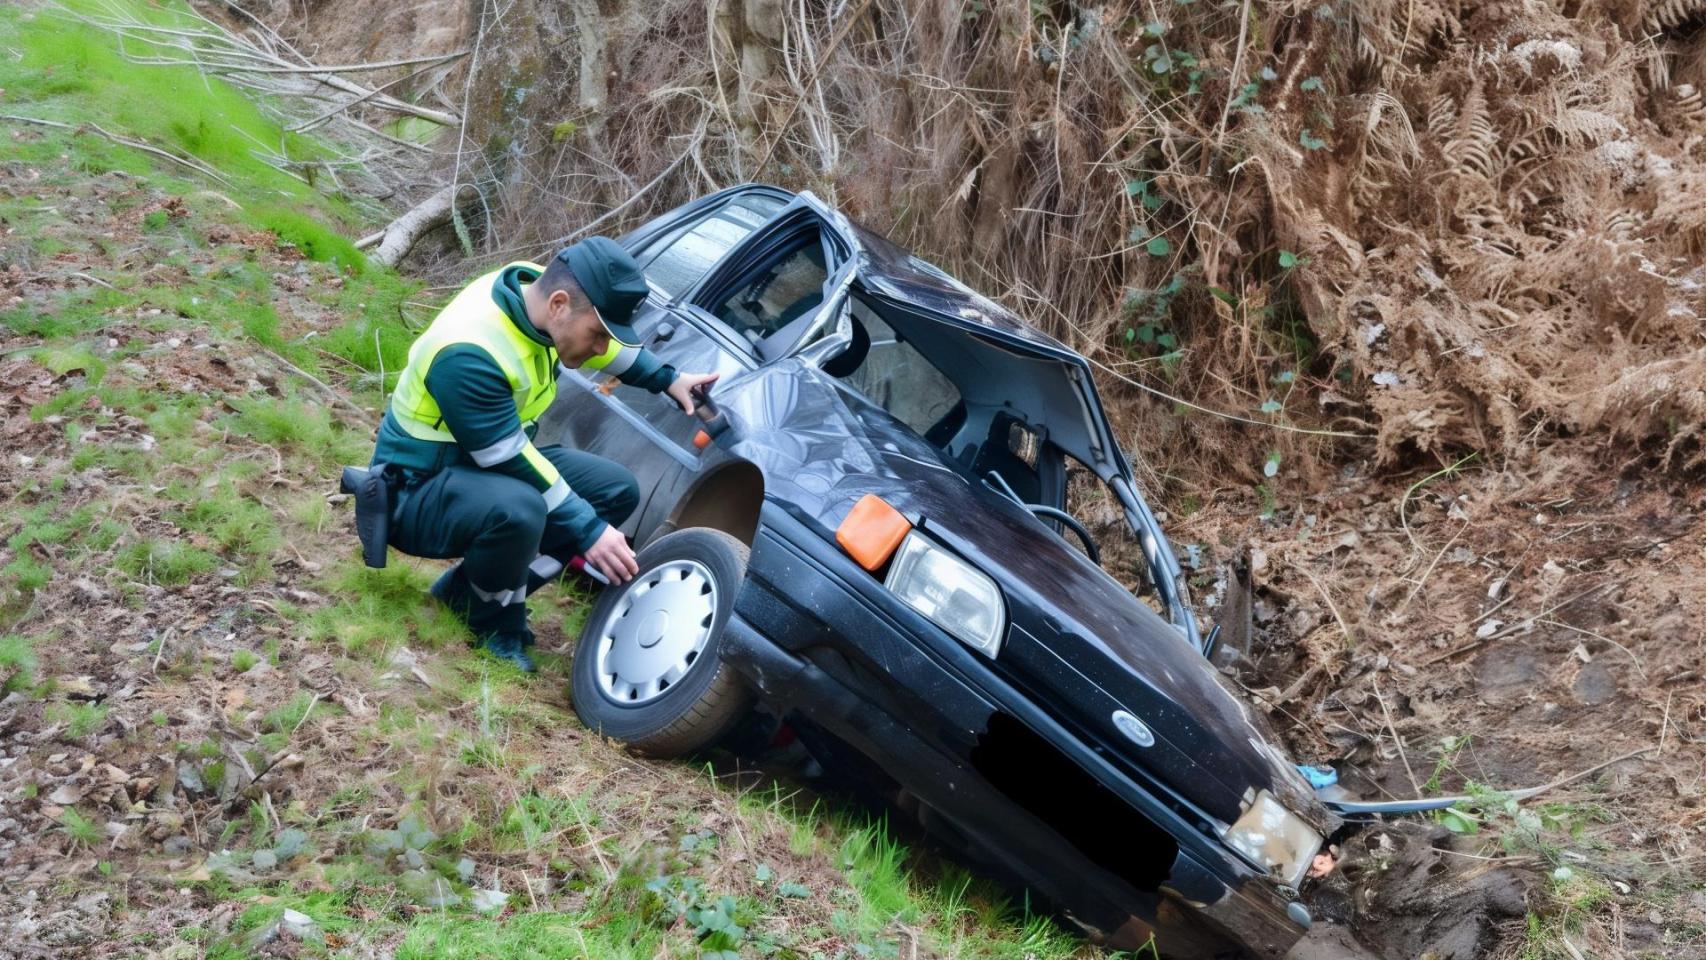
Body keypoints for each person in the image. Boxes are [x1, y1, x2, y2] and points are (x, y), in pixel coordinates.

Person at [366, 237, 717, 672]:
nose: (597, 349)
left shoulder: (533, 295)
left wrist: (667, 378)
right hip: (416, 492)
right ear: (558, 304)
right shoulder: (469, 351)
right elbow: (507, 455)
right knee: (525, 508)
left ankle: (464, 596)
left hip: (476, 472)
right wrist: (589, 531)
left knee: (613, 490)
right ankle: (491, 622)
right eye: (596, 335)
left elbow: (605, 344)